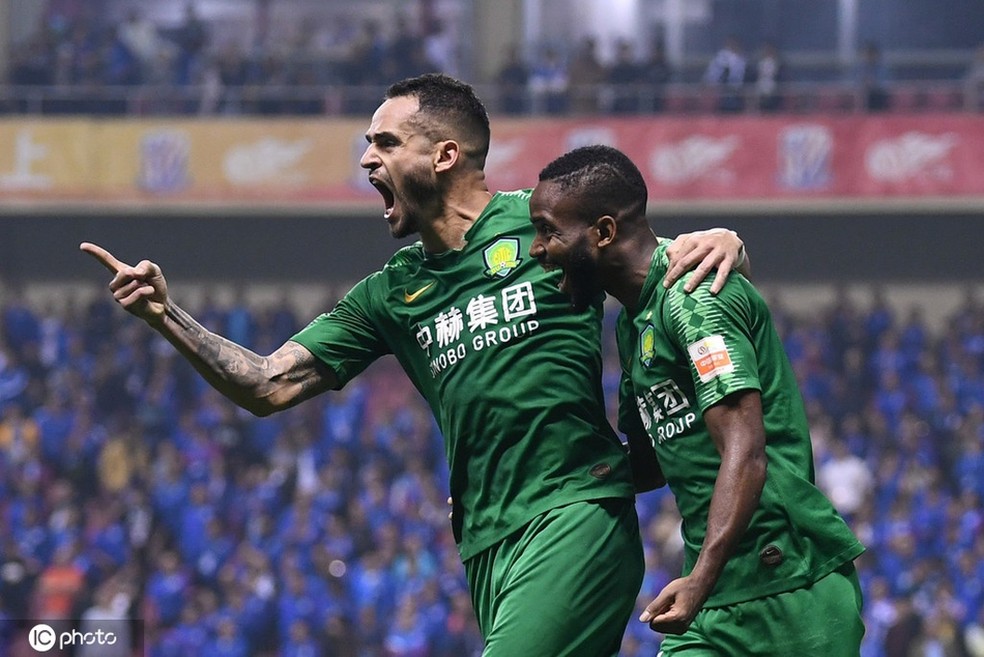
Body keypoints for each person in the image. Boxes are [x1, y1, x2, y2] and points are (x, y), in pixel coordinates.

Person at [81, 74, 745, 656]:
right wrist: (165, 315)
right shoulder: (392, 292)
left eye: (386, 143)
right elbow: (267, 383)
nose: (368, 159)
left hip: (576, 517)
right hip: (487, 543)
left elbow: (646, 259)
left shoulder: (542, 223)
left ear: (446, 154)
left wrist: (721, 240)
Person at [527, 144, 866, 655]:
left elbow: (744, 451)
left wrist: (700, 579)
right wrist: (529, 483)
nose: (537, 248)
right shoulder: (635, 324)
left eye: (549, 231)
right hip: (714, 598)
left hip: (790, 584)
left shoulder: (693, 300)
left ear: (602, 233)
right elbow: (648, 465)